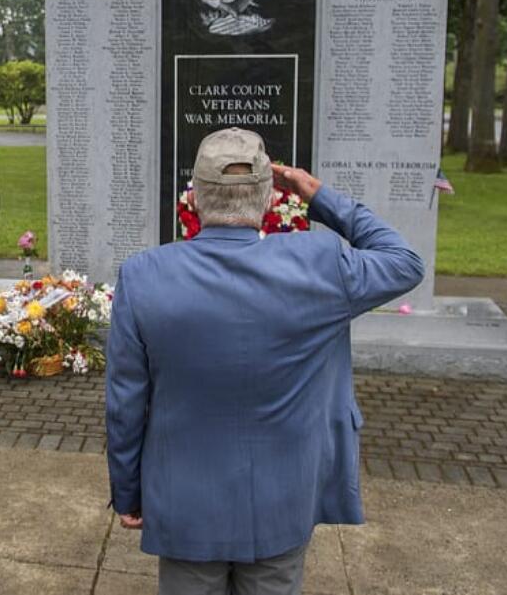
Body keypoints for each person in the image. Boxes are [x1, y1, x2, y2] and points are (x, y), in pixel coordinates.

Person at [106, 128, 424, 595]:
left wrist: (128, 492)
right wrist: (318, 195)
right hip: (285, 498)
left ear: (193, 198)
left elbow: (125, 404)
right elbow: (405, 261)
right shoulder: (321, 264)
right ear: (270, 197)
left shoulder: (143, 277)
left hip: (186, 500)